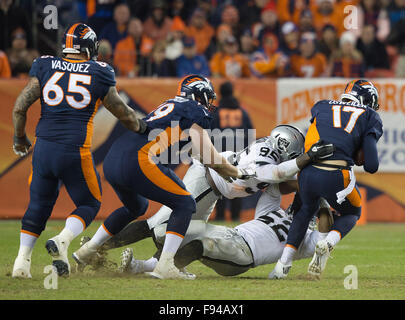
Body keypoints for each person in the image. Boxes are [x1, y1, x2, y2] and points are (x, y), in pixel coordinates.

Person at [75, 125, 334, 276]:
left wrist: (311, 183)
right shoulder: (268, 160)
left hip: (214, 188)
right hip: (207, 181)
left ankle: (148, 265)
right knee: (160, 227)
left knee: (179, 231)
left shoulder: (270, 153)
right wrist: (308, 159)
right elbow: (275, 174)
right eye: (295, 153)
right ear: (288, 148)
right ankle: (95, 249)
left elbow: (280, 181)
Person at [72, 75, 256, 280]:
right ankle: (165, 265)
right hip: (138, 159)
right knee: (185, 204)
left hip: (114, 159)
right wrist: (239, 173)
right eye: (208, 97)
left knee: (136, 207)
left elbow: (197, 152)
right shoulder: (195, 109)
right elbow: (210, 158)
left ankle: (88, 249)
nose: (209, 103)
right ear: (199, 93)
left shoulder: (171, 104)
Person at [11, 23, 147, 279]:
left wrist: (19, 137)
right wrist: (142, 127)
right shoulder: (100, 71)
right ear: (90, 48)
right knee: (89, 202)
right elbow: (122, 111)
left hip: (43, 149)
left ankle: (21, 263)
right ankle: (63, 239)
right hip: (75, 151)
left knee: (39, 205)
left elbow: (19, 108)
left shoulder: (45, 64)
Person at [270, 79, 383, 279]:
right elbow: (372, 166)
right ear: (367, 99)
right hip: (337, 174)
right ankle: (328, 242)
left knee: (305, 211)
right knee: (352, 212)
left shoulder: (321, 105)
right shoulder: (369, 115)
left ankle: (282, 266)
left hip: (307, 173)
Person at [120, 201, 334, 278]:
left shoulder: (306, 239)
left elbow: (323, 235)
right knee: (169, 230)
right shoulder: (275, 210)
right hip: (229, 233)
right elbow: (274, 187)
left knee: (201, 246)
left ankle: (157, 272)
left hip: (242, 256)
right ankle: (140, 266)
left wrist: (322, 200)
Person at [210, 81, 254, 221]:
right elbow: (250, 134)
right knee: (238, 185)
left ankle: (220, 217)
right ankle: (236, 218)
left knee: (220, 185)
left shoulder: (216, 112)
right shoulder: (242, 111)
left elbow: (209, 134)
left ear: (220, 94)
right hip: (240, 155)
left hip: (221, 154)